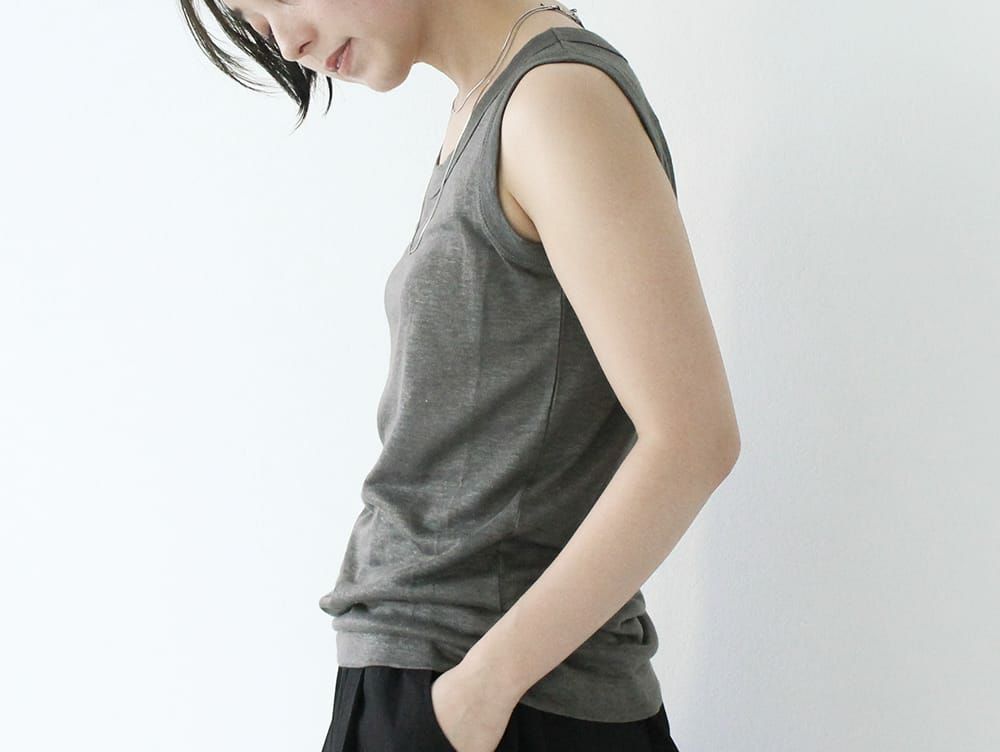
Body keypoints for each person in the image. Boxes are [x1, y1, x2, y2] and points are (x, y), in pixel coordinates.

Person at [179, 2, 740, 750]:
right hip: (443, 675)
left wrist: (482, 691)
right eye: (256, 23)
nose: (288, 41)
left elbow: (692, 440)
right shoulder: (489, 105)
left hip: (492, 690)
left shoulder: (551, 101)